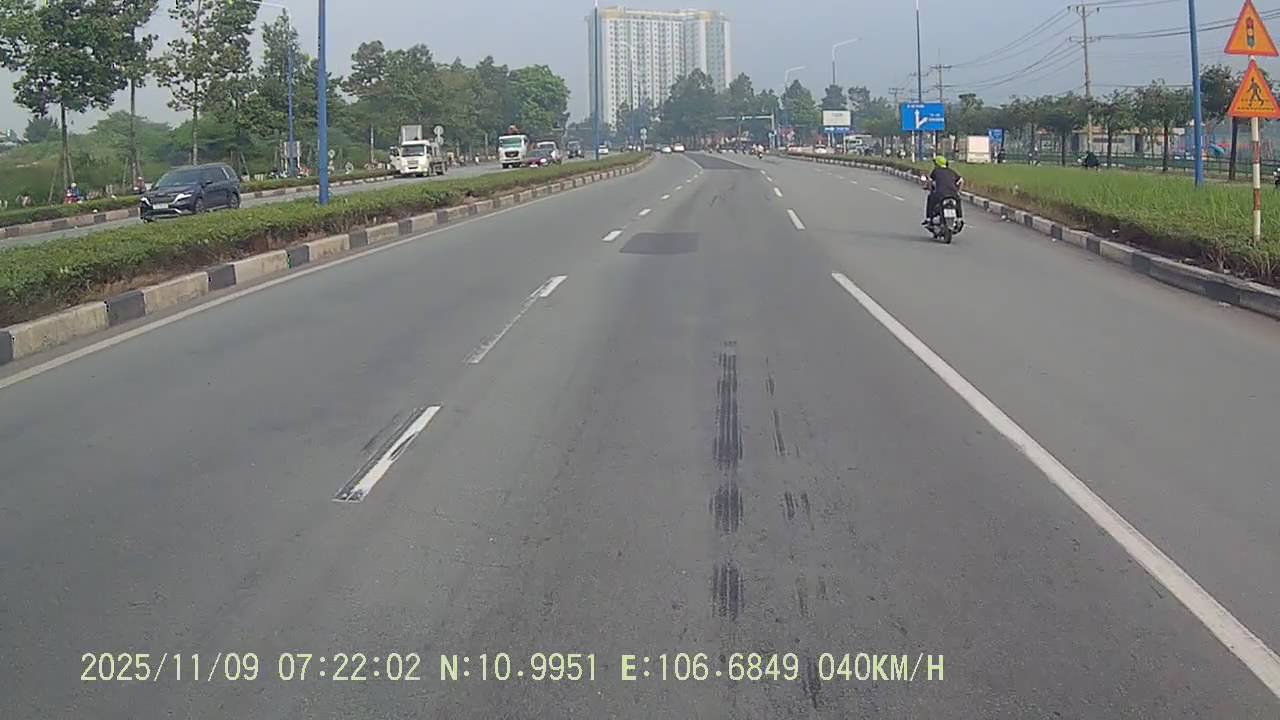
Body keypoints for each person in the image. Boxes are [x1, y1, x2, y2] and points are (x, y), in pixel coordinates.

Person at [923, 156, 964, 226]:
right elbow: (961, 181)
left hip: (941, 194)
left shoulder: (936, 171)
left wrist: (929, 188)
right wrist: (959, 191)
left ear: (937, 164)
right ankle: (959, 218)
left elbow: (930, 181)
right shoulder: (952, 171)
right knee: (958, 200)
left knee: (930, 198)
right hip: (953, 194)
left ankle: (929, 218)